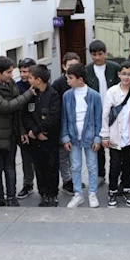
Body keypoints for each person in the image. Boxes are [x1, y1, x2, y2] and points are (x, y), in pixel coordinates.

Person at [0, 56, 34, 207]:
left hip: (10, 133)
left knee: (10, 168)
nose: (11, 75)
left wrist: (21, 131)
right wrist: (28, 94)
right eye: (8, 72)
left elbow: (16, 111)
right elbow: (6, 106)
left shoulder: (10, 83)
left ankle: (11, 197)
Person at [101, 62, 130, 208]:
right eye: (124, 74)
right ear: (119, 74)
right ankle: (112, 191)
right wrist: (105, 135)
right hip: (115, 135)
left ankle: (127, 190)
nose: (126, 77)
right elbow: (105, 115)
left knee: (129, 165)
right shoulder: (112, 92)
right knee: (114, 165)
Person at [18, 64, 62, 207]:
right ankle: (43, 194)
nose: (28, 79)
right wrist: (33, 131)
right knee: (39, 167)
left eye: (31, 77)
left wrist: (37, 131)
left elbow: (53, 118)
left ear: (38, 80)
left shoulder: (53, 95)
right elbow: (26, 115)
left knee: (51, 166)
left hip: (49, 137)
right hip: (35, 139)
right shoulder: (31, 94)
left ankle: (52, 194)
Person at [61, 63, 103, 208]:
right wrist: (65, 137)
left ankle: (92, 193)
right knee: (75, 166)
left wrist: (98, 137)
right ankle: (78, 193)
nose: (68, 81)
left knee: (92, 165)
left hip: (90, 136)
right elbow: (64, 118)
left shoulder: (94, 95)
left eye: (70, 78)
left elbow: (98, 118)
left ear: (80, 79)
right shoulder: (67, 96)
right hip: (73, 137)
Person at [85, 41, 119, 183]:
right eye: (94, 54)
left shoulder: (114, 68)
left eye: (100, 54)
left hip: (113, 111)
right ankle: (100, 174)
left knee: (115, 143)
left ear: (105, 53)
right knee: (97, 143)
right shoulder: (87, 70)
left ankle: (116, 174)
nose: (97, 57)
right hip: (95, 112)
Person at [52, 52, 82, 196]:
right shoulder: (58, 84)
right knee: (63, 155)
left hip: (77, 125)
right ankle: (67, 181)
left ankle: (74, 178)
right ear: (64, 66)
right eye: (70, 65)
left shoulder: (81, 81)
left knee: (74, 155)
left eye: (75, 65)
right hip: (63, 124)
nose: (72, 68)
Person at [14, 58, 37, 200]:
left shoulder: (40, 85)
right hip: (24, 130)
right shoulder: (16, 87)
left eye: (26, 71)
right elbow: (17, 111)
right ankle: (28, 184)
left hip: (39, 129)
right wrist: (23, 131)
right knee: (26, 159)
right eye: (21, 71)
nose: (23, 75)